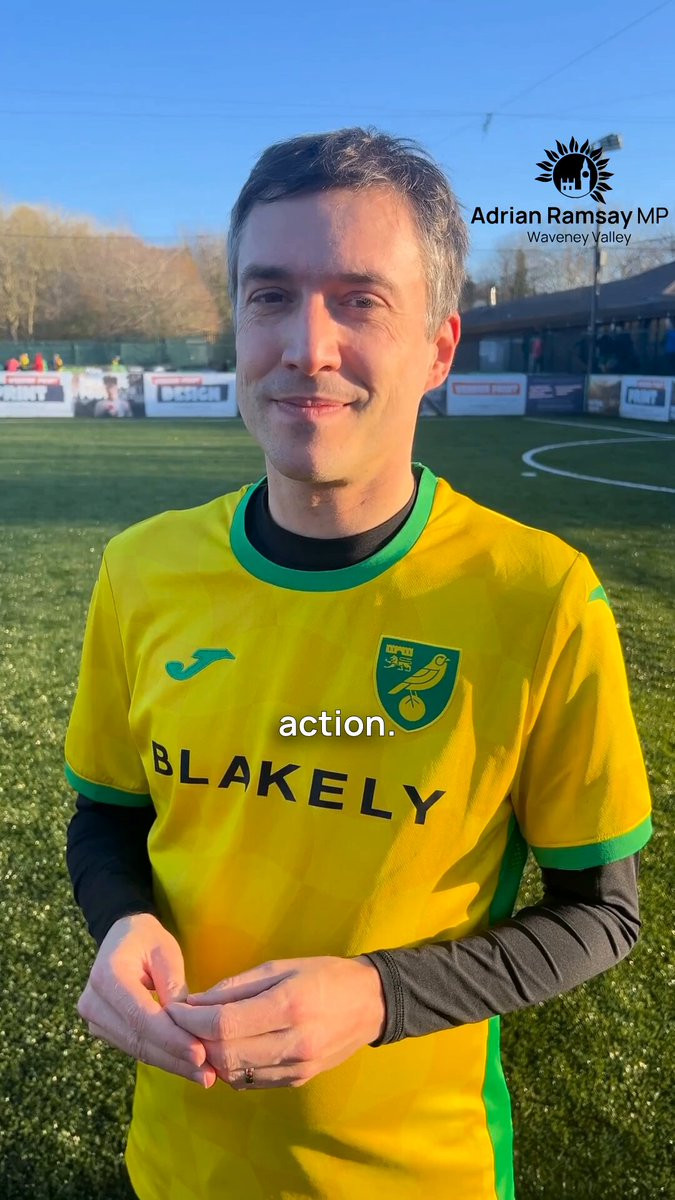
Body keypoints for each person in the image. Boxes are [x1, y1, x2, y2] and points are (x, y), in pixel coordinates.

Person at [64, 127, 652, 1200]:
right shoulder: (139, 570)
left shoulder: (542, 598)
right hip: (179, 1163)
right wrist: (123, 923)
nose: (307, 346)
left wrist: (380, 998)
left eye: (360, 301)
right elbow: (104, 818)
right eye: (270, 296)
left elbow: (601, 911)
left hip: (421, 1175)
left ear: (438, 348)